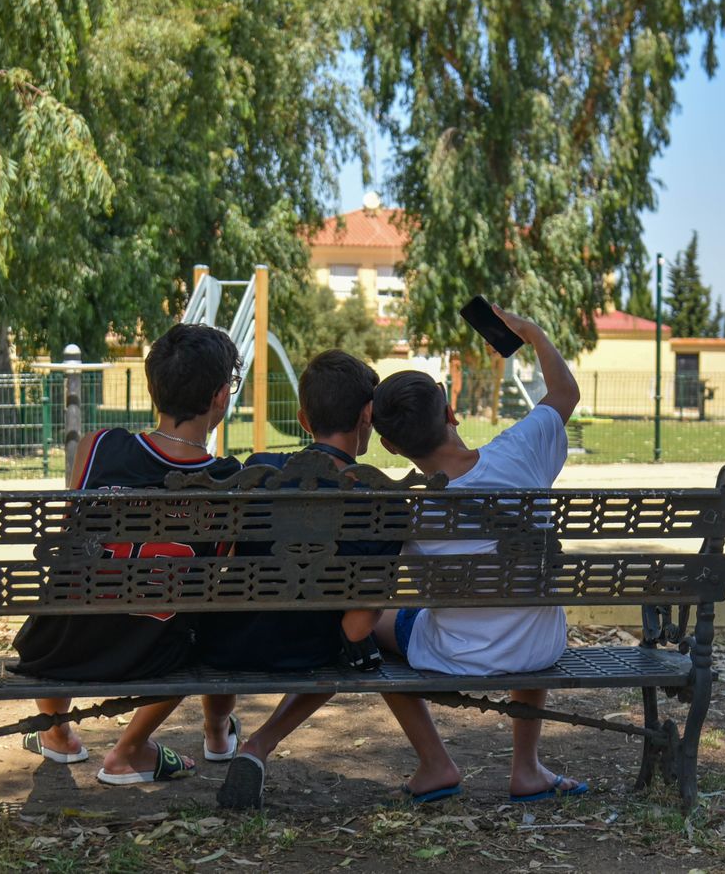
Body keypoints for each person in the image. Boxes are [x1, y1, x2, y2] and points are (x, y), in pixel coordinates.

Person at [207, 349, 461, 809]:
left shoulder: (258, 470)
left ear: (304, 419)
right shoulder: (382, 500)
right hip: (308, 653)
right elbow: (357, 628)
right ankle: (259, 745)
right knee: (357, 646)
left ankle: (231, 737)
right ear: (368, 415)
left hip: (229, 638)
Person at [370, 307, 588, 803]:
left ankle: (435, 763)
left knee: (367, 630)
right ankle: (526, 769)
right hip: (540, 648)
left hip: (452, 653)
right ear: (450, 412)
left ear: (389, 445)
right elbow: (565, 394)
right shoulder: (521, 452)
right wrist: (532, 333)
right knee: (522, 594)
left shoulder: (403, 504)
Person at [11, 323, 241, 785]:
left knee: (61, 595)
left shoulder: (97, 447)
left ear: (155, 390)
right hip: (152, 651)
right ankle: (131, 749)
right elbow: (218, 572)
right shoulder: (229, 479)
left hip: (60, 646)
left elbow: (68, 540)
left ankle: (57, 734)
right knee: (200, 620)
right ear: (219, 397)